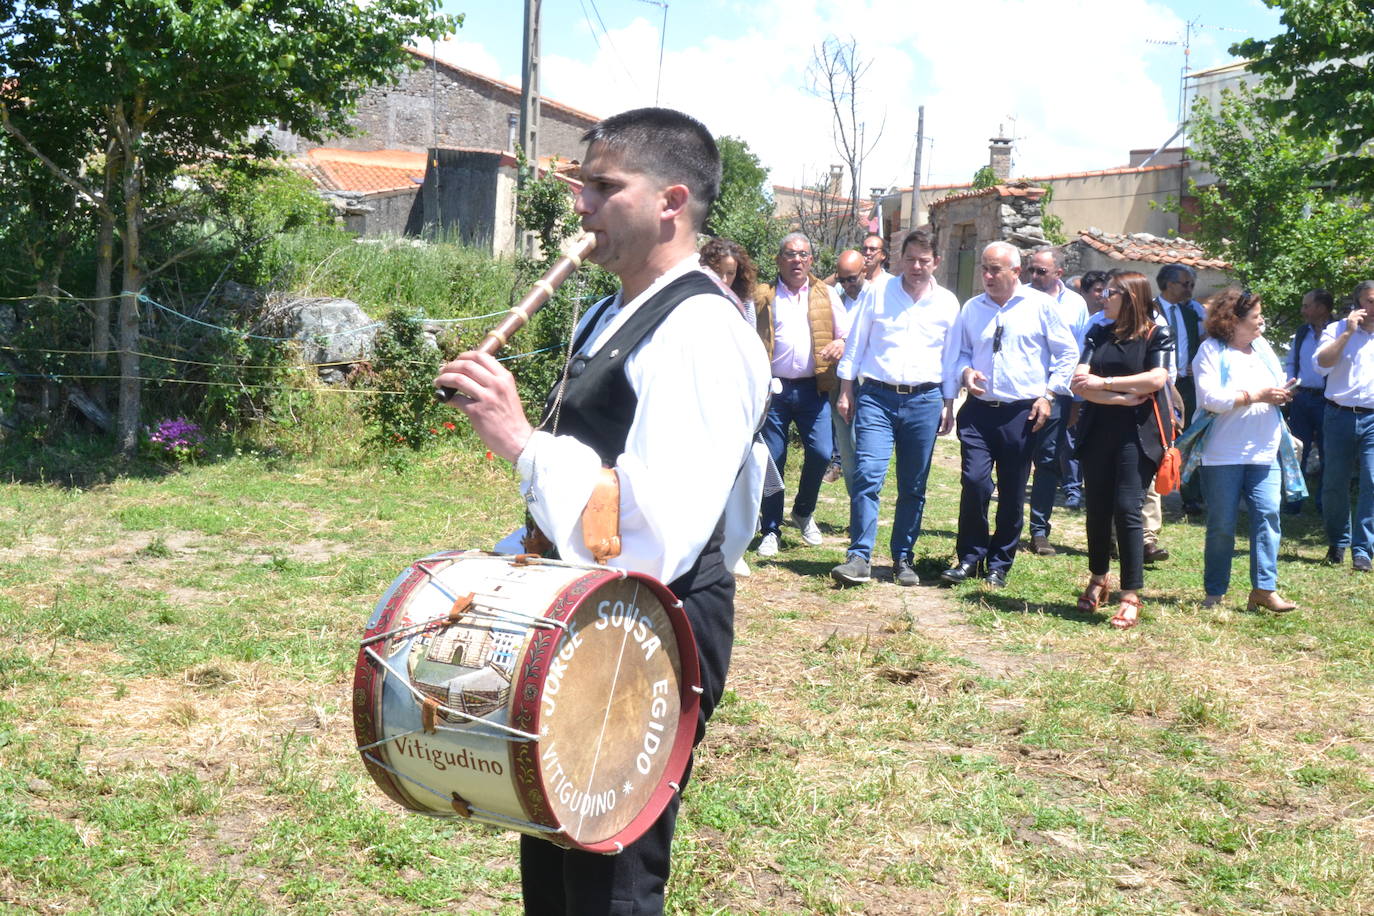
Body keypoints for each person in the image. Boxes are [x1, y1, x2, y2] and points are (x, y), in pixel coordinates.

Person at [434, 107, 770, 915]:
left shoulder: (700, 331)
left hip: (658, 619)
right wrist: (505, 560)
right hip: (590, 605)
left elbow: (657, 529)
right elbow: (589, 465)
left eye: (603, 186)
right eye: (583, 184)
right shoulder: (604, 314)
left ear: (671, 201)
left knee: (609, 871)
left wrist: (521, 443)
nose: (579, 205)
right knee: (552, 840)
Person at [941, 241, 1078, 588]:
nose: (986, 275)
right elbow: (960, 353)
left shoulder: (1041, 306)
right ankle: (970, 557)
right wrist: (966, 372)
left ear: (1015, 272)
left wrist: (1049, 395)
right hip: (980, 411)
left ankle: (1000, 563)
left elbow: (1067, 353)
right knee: (974, 481)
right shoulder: (972, 309)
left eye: (994, 269)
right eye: (984, 268)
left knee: (1013, 490)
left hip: (1022, 413)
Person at [830, 229, 960, 586]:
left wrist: (949, 403)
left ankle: (903, 557)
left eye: (924, 260)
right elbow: (856, 343)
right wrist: (846, 390)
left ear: (936, 262)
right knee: (868, 475)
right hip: (876, 396)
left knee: (913, 484)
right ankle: (859, 556)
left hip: (925, 400)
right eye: (910, 259)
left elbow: (950, 359)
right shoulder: (877, 293)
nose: (916, 267)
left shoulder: (948, 303)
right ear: (900, 259)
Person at [1069, 271, 1172, 629]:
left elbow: (1156, 380)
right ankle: (1099, 577)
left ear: (1130, 298)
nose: (1102, 298)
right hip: (1098, 431)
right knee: (1097, 509)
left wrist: (1105, 382)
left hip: (1138, 436)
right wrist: (1121, 396)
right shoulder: (1098, 332)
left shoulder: (1157, 334)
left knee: (1128, 509)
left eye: (1110, 293)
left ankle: (1130, 595)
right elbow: (1079, 383)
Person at [1191, 288, 1298, 611]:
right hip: (1223, 453)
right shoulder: (1210, 350)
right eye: (1255, 317)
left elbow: (1274, 384)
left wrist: (1279, 394)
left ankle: (1264, 589)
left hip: (1265, 449)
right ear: (1232, 321)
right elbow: (1212, 399)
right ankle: (1215, 591)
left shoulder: (1263, 348)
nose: (1261, 321)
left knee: (1268, 515)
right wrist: (1257, 395)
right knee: (1222, 524)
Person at [753, 233, 848, 556]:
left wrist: (841, 344)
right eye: (790, 254)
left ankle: (804, 511)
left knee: (822, 452)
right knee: (772, 460)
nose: (797, 260)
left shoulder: (826, 293)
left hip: (814, 387)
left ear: (811, 261)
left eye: (803, 255)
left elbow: (847, 333)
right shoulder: (763, 296)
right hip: (774, 390)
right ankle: (771, 529)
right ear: (779, 260)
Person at [1024, 248, 1090, 555]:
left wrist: (1075, 400)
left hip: (1058, 394)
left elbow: (1078, 354)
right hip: (1023, 392)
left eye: (1042, 272)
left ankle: (1039, 531)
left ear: (1058, 274)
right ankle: (1008, 523)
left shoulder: (1076, 305)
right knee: (1015, 459)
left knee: (1048, 462)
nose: (1034, 277)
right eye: (1031, 270)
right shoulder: (1020, 297)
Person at [1314, 280, 1374, 572]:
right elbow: (1321, 364)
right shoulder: (1337, 330)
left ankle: (1362, 550)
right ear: (1357, 305)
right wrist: (1349, 332)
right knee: (1334, 484)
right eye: (1370, 301)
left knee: (1372, 482)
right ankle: (1338, 541)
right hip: (1339, 415)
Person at [1156, 263, 1208, 517]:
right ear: (1169, 284)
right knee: (1157, 437)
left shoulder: (1191, 313)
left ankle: (1191, 496)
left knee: (1189, 437)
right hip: (1157, 383)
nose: (1190, 289)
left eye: (1191, 284)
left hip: (1185, 385)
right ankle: (1155, 493)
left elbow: (1200, 342)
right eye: (1185, 284)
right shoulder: (1151, 310)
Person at [1284, 288, 1335, 514]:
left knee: (1328, 452)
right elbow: (1291, 363)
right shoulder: (1302, 332)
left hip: (1328, 401)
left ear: (1322, 308)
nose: (1303, 310)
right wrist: (1290, 386)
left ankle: (1324, 503)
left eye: (1307, 305)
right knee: (1297, 451)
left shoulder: (1338, 332)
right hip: (1302, 398)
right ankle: (1294, 503)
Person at [822, 248, 869, 487]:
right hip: (840, 382)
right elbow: (818, 285)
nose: (847, 285)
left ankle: (865, 501)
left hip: (868, 383)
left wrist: (844, 342)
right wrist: (839, 277)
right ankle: (856, 507)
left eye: (852, 278)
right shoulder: (836, 298)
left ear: (866, 271)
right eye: (842, 279)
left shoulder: (877, 298)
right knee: (847, 451)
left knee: (860, 444)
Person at [698, 236, 759, 325]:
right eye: (717, 271)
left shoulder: (745, 302)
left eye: (730, 273)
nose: (724, 280)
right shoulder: (694, 297)